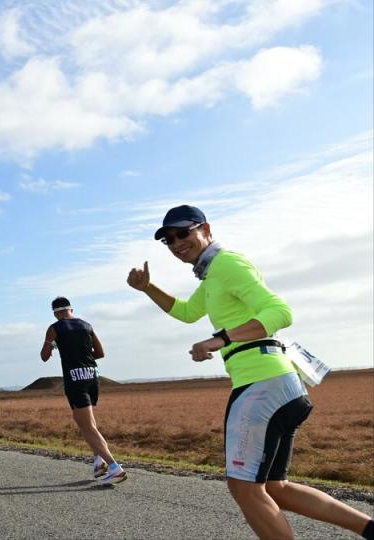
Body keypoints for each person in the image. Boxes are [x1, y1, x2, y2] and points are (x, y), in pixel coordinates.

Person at [127, 205, 374, 540]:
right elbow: (187, 312)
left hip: (262, 384)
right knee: (275, 488)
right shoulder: (213, 275)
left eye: (182, 233)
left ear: (206, 229)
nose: (176, 243)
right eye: (168, 239)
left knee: (244, 489)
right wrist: (148, 288)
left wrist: (220, 339)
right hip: (277, 386)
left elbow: (280, 312)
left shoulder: (228, 263)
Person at [40, 297, 126, 484]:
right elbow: (100, 353)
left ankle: (114, 467)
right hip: (92, 377)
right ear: (71, 309)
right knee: (90, 424)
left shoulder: (55, 328)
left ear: (55, 312)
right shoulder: (87, 325)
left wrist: (51, 343)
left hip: (74, 378)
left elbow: (44, 357)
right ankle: (99, 462)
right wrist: (83, 356)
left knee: (87, 427)